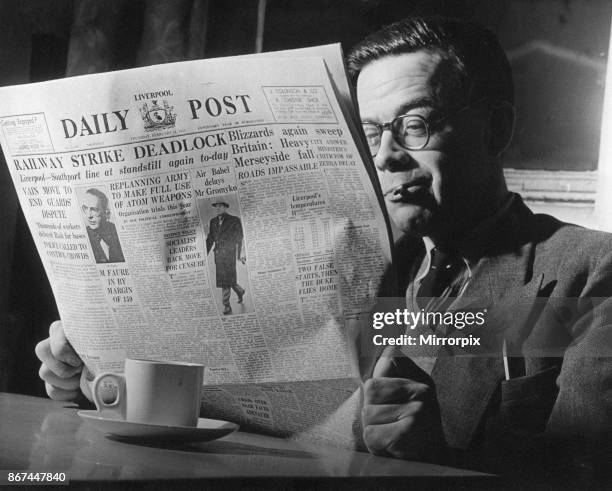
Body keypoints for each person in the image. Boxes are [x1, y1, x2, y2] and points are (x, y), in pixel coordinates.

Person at [36, 16, 611, 482]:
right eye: (370, 133)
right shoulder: (357, 263)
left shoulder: (587, 271)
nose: (386, 157)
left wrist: (442, 460)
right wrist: (97, 375)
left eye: (415, 125)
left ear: (496, 129)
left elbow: (589, 472)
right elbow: (229, 396)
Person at [205, 202, 246, 315]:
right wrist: (203, 254)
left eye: (220, 206)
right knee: (228, 279)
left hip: (229, 255)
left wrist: (240, 255)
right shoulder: (213, 221)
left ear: (225, 207)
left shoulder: (234, 220)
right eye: (216, 206)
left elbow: (240, 238)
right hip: (218, 255)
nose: (218, 208)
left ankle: (226, 305)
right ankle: (240, 291)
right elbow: (210, 239)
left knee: (225, 282)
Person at [82, 188, 125, 263]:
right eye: (85, 208)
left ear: (105, 212)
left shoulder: (116, 231)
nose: (89, 215)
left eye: (94, 209)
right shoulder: (84, 236)